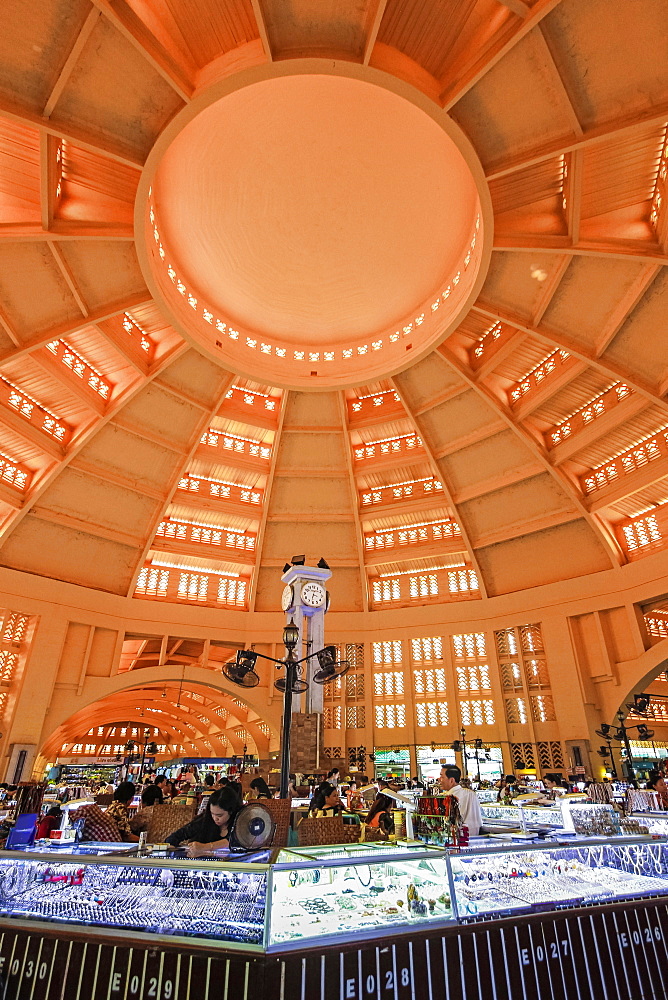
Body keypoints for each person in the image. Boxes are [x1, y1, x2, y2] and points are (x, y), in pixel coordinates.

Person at [165, 786, 242, 857]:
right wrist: (171, 846)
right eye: (212, 814)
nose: (215, 818)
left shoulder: (241, 824)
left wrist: (204, 848)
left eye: (219, 815)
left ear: (231, 811)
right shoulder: (204, 821)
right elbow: (176, 836)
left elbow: (234, 842)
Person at [439, 765, 483, 836]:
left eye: (442, 777)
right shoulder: (471, 793)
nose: (439, 779)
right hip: (473, 837)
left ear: (451, 780)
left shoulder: (454, 797)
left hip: (460, 838)